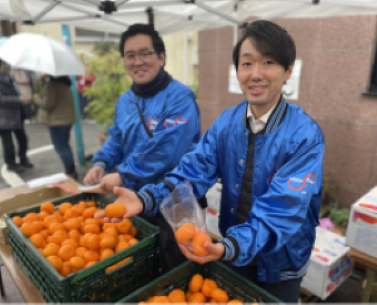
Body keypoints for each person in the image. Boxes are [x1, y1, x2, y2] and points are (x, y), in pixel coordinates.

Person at [97, 20, 325, 303]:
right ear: (237, 70)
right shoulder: (227, 123)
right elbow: (191, 173)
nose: (256, 74)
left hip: (280, 265)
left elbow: (283, 209)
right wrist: (146, 199)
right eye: (247, 63)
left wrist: (229, 245)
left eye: (268, 62)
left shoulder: (304, 135)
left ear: (288, 70)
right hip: (233, 255)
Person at [85, 24, 203, 273]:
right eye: (130, 55)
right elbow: (118, 137)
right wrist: (101, 162)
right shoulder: (126, 100)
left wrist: (124, 175)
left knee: (178, 269)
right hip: (135, 201)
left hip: (175, 201)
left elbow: (166, 150)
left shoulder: (180, 97)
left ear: (161, 57)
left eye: (145, 53)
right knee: (145, 266)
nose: (137, 61)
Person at [33, 75, 77, 179]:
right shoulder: (65, 83)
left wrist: (36, 98)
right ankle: (71, 170)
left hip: (57, 122)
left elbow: (47, 104)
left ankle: (70, 172)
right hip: (67, 119)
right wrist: (44, 84)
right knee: (65, 146)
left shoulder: (51, 85)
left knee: (61, 148)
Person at [0, 60, 33, 173]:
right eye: (6, 66)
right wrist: (18, 100)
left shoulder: (9, 78)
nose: (8, 68)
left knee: (23, 139)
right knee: (8, 143)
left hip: (16, 115)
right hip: (3, 117)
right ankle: (11, 164)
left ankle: (23, 159)